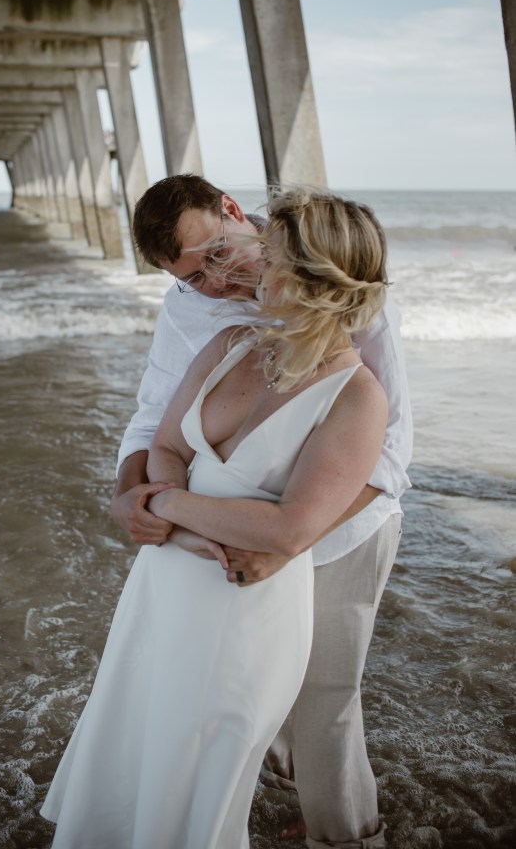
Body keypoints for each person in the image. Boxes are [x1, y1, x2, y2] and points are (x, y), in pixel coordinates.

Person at [40, 187, 396, 849]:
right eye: (192, 277)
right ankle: (261, 799)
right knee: (160, 724)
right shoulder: (214, 323)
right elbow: (157, 422)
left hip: (348, 519)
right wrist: (130, 495)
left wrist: (274, 539)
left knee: (324, 701)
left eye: (219, 257)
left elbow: (388, 453)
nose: (219, 281)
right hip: (197, 562)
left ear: (236, 215)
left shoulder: (348, 307)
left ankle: (344, 836)